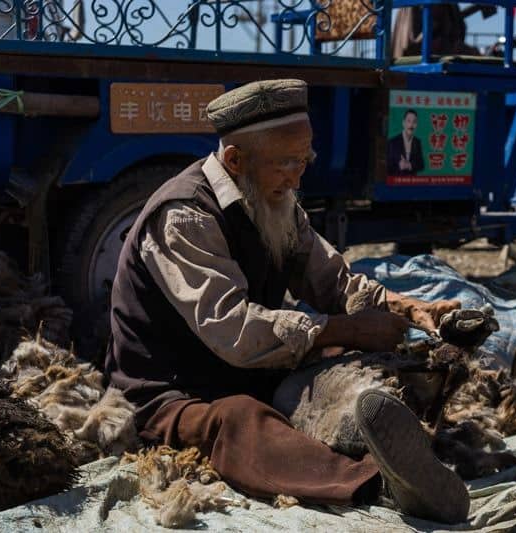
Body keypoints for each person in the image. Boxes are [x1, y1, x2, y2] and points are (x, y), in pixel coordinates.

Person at [104, 79, 470, 524]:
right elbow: (234, 330)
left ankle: (374, 426)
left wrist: (406, 309)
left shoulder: (276, 200)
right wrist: (344, 328)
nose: (298, 175)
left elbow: (333, 283)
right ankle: (383, 483)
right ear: (236, 160)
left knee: (349, 356)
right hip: (171, 391)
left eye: (304, 159)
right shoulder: (183, 215)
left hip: (252, 368)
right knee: (238, 421)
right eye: (286, 163)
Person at [387, 109, 425, 176]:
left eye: (414, 122)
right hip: (397, 182)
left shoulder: (417, 142)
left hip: (412, 182)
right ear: (403, 123)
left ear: (416, 125)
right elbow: (388, 166)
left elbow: (421, 165)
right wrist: (399, 166)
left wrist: (409, 165)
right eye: (409, 121)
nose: (411, 125)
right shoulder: (393, 142)